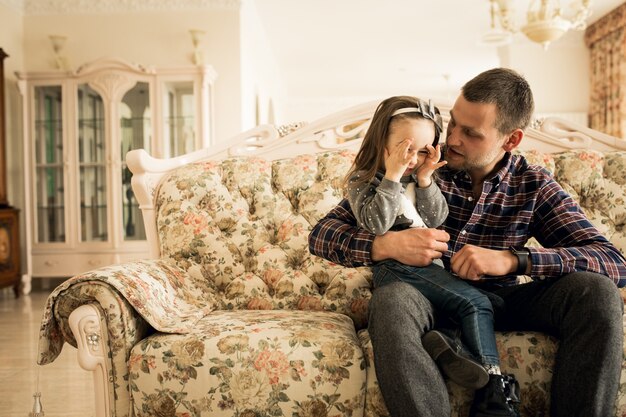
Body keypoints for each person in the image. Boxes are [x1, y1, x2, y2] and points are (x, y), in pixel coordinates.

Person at [308, 68, 626, 417]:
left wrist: (512, 260)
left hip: (502, 300)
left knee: (595, 292)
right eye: (453, 123)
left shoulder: (532, 185)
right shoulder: (421, 163)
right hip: (424, 299)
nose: (452, 139)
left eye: (470, 133)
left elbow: (612, 262)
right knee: (390, 300)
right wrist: (384, 247)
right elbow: (322, 235)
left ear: (511, 139)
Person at [342, 96, 515, 403]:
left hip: (428, 269)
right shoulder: (364, 180)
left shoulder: (420, 175)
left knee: (476, 304)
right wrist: (392, 177)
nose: (412, 158)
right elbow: (377, 223)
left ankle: (450, 345)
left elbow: (436, 218)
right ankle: (494, 382)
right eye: (405, 148)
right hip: (397, 270)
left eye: (422, 150)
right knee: (476, 304)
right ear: (382, 141)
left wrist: (424, 180)